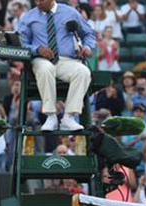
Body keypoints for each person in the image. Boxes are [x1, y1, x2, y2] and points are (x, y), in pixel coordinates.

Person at [18, 0, 96, 131]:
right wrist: (38, 49)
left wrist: (87, 47)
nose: (37, 3)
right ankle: (51, 116)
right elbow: (21, 42)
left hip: (66, 60)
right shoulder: (29, 17)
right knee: (45, 68)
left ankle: (69, 117)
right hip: (41, 60)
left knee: (83, 72)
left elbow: (89, 33)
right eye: (35, 0)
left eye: (40, 0)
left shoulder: (69, 12)